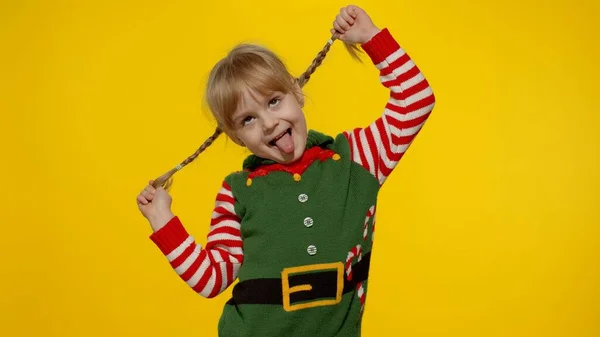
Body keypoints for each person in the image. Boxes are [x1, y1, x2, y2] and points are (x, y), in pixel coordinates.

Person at [137, 5, 435, 337]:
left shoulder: (356, 160)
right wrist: (161, 220)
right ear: (237, 138)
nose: (268, 123)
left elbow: (417, 100)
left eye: (274, 101)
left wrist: (370, 38)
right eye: (247, 120)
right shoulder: (237, 191)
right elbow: (212, 278)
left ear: (297, 93)